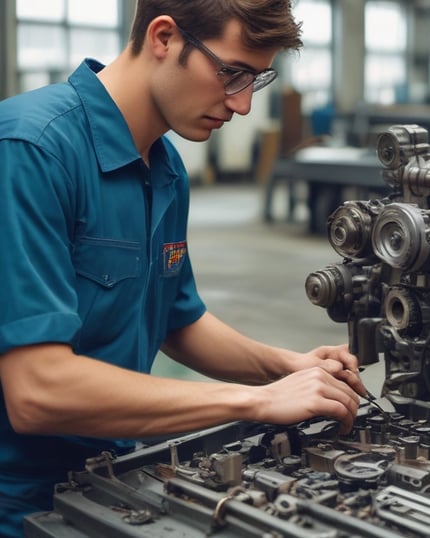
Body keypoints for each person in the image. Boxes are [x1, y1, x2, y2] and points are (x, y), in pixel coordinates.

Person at [0, 1, 365, 535]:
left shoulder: (165, 168)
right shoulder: (30, 151)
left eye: (255, 80)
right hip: (18, 501)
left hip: (110, 472)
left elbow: (177, 318)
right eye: (232, 73)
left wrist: (288, 367)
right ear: (164, 38)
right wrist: (259, 401)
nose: (241, 104)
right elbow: (38, 391)